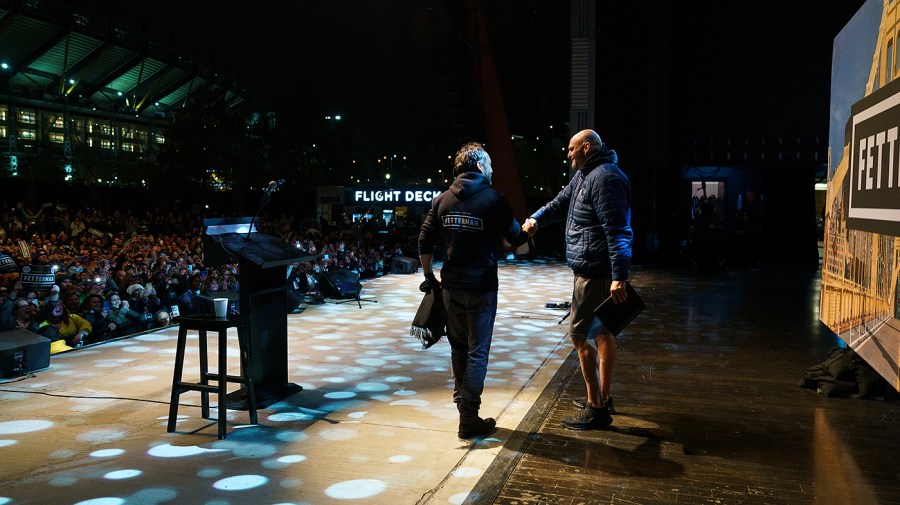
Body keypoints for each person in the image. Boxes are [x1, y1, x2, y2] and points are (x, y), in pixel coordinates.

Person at [418, 141, 529, 439]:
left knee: (458, 349)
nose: (492, 170)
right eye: (490, 164)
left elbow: (424, 241)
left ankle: (463, 411)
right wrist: (529, 229)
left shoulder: (441, 201)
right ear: (480, 166)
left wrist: (429, 276)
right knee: (478, 352)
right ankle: (469, 416)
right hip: (481, 288)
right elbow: (516, 239)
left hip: (451, 288)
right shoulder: (494, 199)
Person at [523, 129, 633, 431]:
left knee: (578, 335)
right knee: (602, 333)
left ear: (586, 147)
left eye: (572, 149)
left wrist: (619, 276)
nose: (568, 154)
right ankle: (603, 397)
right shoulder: (587, 175)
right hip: (595, 270)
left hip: (596, 273)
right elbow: (559, 203)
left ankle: (596, 407)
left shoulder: (604, 178)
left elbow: (618, 229)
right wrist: (536, 219)